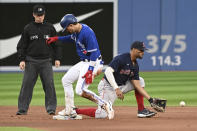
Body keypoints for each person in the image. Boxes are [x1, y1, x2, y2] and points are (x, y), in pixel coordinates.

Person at [46, 14, 114, 119]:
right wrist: (56, 38)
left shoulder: (87, 33)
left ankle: (105, 104)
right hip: (85, 62)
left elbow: (94, 54)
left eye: (67, 28)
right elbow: (70, 38)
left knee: (80, 90)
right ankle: (70, 111)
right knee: (66, 80)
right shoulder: (77, 31)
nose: (67, 30)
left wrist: (90, 71)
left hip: (93, 62)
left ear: (71, 25)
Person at [73, 41, 164, 119]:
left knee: (140, 81)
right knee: (102, 114)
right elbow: (108, 71)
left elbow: (137, 85)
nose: (143, 52)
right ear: (134, 50)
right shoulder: (122, 58)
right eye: (141, 50)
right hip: (107, 87)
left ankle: (141, 110)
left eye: (143, 50)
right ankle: (76, 111)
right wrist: (116, 88)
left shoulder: (135, 65)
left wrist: (150, 100)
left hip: (121, 86)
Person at [16, 4, 61, 115]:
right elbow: (21, 45)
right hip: (31, 61)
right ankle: (22, 109)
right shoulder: (28, 28)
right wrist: (22, 60)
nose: (39, 17)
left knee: (49, 85)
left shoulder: (50, 28)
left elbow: (57, 44)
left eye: (41, 15)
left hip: (46, 61)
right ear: (33, 15)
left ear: (44, 15)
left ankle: (51, 109)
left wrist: (57, 58)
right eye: (37, 15)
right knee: (26, 86)